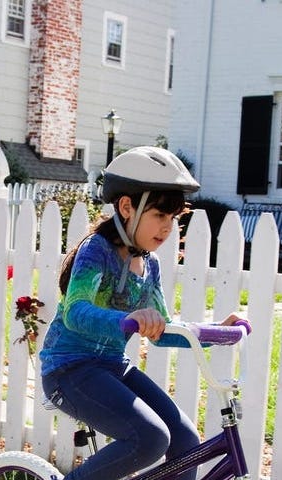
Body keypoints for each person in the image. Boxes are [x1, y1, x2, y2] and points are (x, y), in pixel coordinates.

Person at [39, 146, 251, 480]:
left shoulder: (149, 266)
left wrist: (215, 331)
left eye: (173, 218)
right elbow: (76, 312)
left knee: (185, 439)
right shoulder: (98, 251)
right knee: (150, 437)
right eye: (159, 215)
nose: (168, 228)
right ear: (127, 207)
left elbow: (163, 331)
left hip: (113, 368)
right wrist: (128, 320)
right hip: (69, 371)